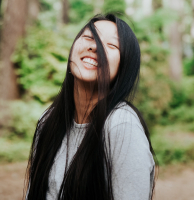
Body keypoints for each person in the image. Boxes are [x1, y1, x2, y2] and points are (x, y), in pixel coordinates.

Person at [25, 14, 156, 200]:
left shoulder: (121, 125)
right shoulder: (48, 120)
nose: (94, 46)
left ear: (124, 67)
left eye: (111, 45)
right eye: (88, 37)